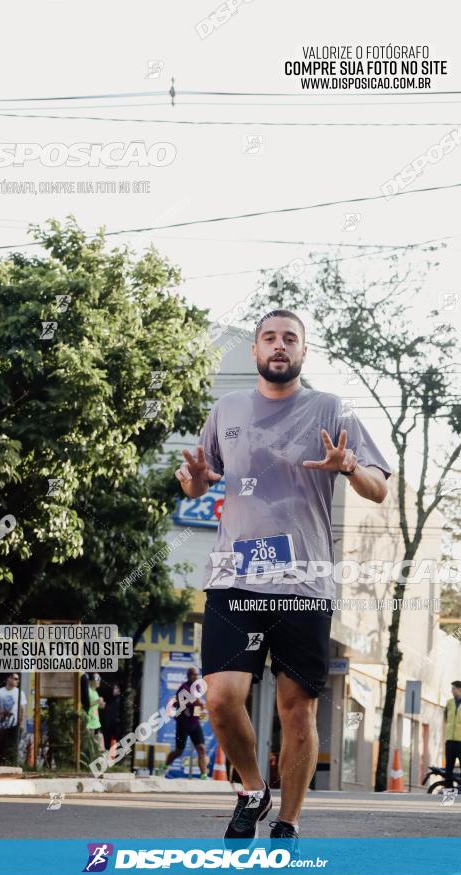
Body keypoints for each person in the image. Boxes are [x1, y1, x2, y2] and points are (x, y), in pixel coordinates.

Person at [175, 310, 390, 841]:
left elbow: (378, 488)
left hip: (304, 580)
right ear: (255, 351)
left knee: (298, 711)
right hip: (236, 575)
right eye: (269, 338)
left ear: (303, 352)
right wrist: (196, 483)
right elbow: (200, 483)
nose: (279, 346)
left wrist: (348, 467)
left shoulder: (331, 409)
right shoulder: (226, 409)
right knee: (222, 698)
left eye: (289, 339)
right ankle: (252, 788)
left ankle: (288, 823)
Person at [165, 666, 209, 779]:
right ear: (188, 676)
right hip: (183, 725)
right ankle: (164, 766)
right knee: (179, 751)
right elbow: (179, 703)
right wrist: (196, 702)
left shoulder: (198, 687)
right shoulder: (183, 688)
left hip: (194, 724)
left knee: (202, 749)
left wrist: (198, 713)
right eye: (193, 674)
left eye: (197, 675)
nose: (196, 677)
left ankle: (203, 775)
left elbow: (198, 706)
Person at [0, 673, 27, 764]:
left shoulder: (19, 692)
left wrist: (21, 723)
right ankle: (0, 764)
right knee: (1, 746)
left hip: (14, 724)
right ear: (8, 679)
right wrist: (0, 712)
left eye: (17, 679)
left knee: (12, 746)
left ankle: (11, 764)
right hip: (1, 724)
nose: (17, 681)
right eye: (15, 678)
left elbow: (23, 709)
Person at [84, 673, 106, 755]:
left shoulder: (95, 692)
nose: (99, 681)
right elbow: (86, 704)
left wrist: (101, 705)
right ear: (91, 681)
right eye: (97, 679)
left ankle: (99, 761)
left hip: (96, 722)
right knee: (88, 746)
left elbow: (95, 707)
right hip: (89, 722)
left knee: (100, 745)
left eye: (99, 679)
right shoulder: (88, 691)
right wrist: (97, 701)